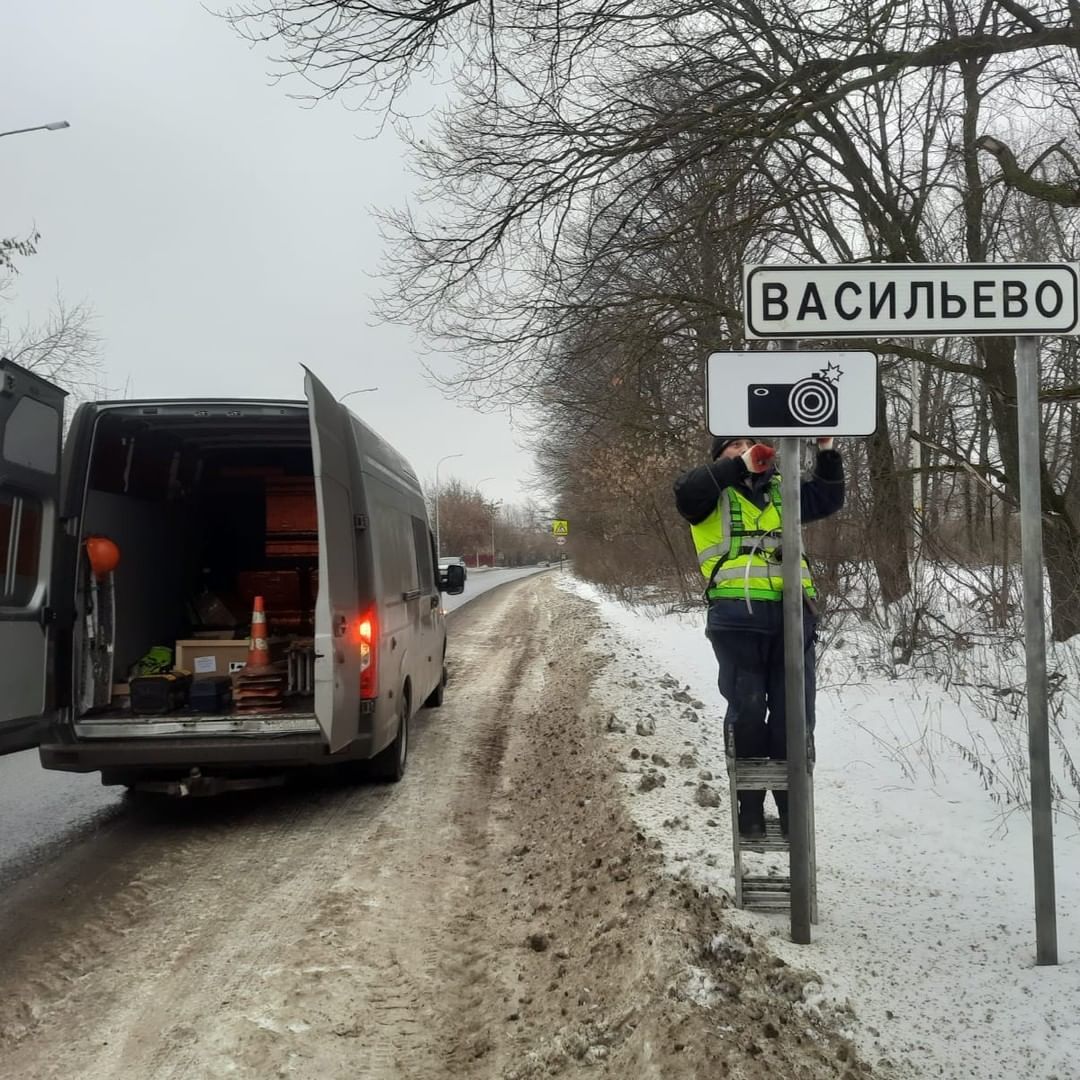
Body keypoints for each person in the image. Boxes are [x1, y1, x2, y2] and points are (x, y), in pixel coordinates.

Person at [673, 436, 844, 839]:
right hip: (737, 621)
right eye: (735, 445)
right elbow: (687, 490)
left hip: (794, 618)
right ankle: (749, 811)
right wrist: (739, 465)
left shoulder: (784, 493)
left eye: (752, 443)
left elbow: (828, 498)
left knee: (794, 717)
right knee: (748, 715)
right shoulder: (708, 497)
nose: (747, 448)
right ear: (720, 459)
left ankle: (790, 813)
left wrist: (826, 452)